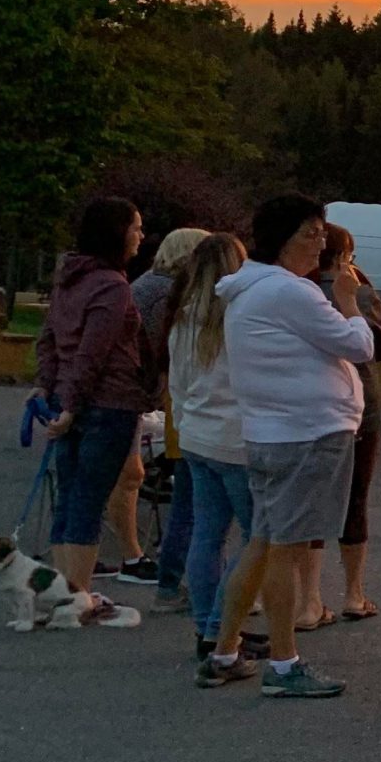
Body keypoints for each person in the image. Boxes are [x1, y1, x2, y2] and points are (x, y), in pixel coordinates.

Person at [202, 193, 376, 697]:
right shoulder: (290, 292)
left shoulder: (251, 288)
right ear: (282, 238)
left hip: (273, 433)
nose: (321, 242)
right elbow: (359, 345)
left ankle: (224, 650)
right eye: (310, 233)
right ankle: (283, 665)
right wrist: (349, 301)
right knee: (286, 547)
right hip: (305, 436)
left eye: (322, 231)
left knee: (262, 541)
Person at [33, 195, 149, 611]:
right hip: (107, 402)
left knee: (69, 495)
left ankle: (65, 591)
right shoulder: (112, 285)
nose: (141, 236)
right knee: (89, 498)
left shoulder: (69, 279)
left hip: (69, 397)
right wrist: (71, 403)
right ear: (117, 233)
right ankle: (79, 596)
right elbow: (93, 352)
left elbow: (49, 339)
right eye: (136, 227)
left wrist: (48, 388)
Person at [164, 233, 265, 664]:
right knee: (257, 538)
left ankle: (209, 624)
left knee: (207, 534)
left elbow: (177, 384)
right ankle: (221, 626)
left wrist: (184, 424)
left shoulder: (183, 318)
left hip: (197, 436)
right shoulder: (242, 318)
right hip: (236, 440)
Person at [306, 222, 381, 627]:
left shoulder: (301, 289)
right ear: (344, 257)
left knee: (311, 499)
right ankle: (353, 593)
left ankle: (309, 598)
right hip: (358, 403)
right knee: (355, 498)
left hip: (310, 404)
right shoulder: (358, 292)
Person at [133, 225, 213, 604]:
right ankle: (192, 583)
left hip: (172, 402)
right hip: (178, 404)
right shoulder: (173, 297)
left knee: (185, 499)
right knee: (197, 505)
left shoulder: (147, 285)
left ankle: (170, 580)